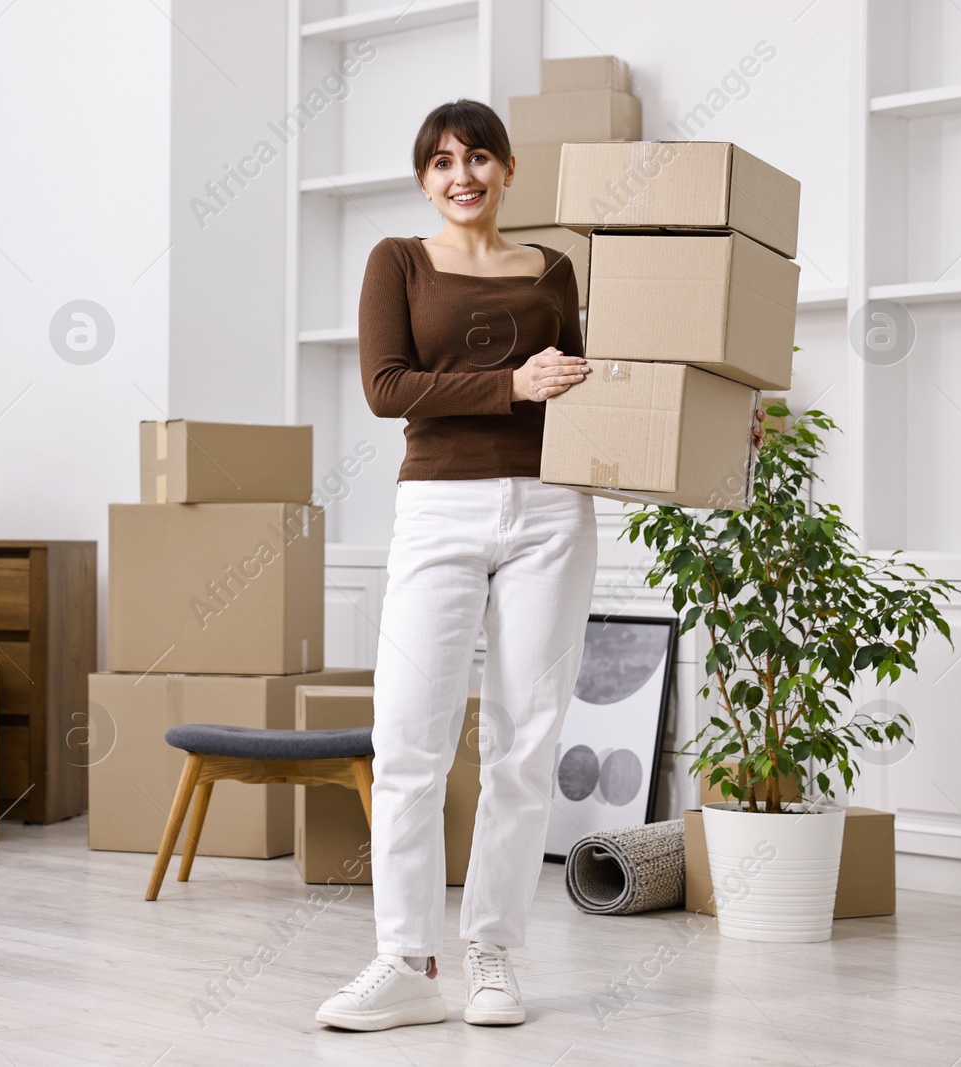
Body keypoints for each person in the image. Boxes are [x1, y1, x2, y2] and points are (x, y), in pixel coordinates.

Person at [314, 98, 599, 1032]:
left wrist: (710, 419)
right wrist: (510, 384)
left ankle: (493, 953)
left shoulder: (552, 269)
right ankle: (404, 959)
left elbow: (600, 382)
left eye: (478, 157)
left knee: (525, 743)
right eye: (441, 162)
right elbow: (386, 386)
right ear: (423, 179)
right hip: (438, 505)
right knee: (407, 742)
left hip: (551, 507)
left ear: (509, 169)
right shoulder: (396, 260)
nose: (461, 175)